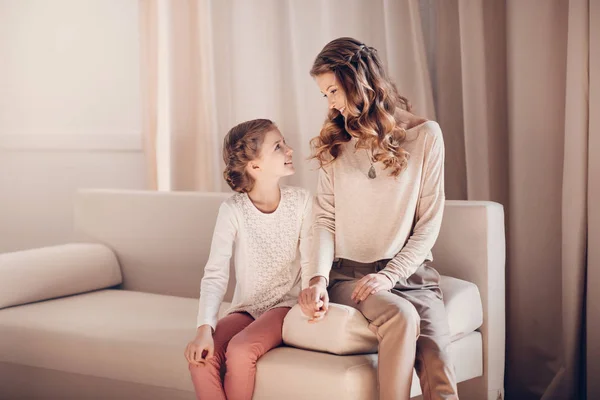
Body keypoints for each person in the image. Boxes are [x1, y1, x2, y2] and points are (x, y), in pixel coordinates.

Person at [298, 37, 459, 400]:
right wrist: (318, 278)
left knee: (440, 370)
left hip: (411, 277)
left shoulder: (425, 137)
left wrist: (390, 275)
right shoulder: (336, 143)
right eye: (325, 95)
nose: (332, 104)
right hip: (350, 276)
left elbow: (429, 223)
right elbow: (324, 219)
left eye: (334, 91)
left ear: (359, 81)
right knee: (400, 316)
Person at [185, 119, 312, 400]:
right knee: (201, 358)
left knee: (241, 351)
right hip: (246, 307)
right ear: (255, 167)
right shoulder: (232, 210)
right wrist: (204, 329)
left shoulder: (302, 201)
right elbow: (216, 273)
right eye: (278, 146)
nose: (290, 149)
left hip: (286, 306)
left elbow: (312, 258)